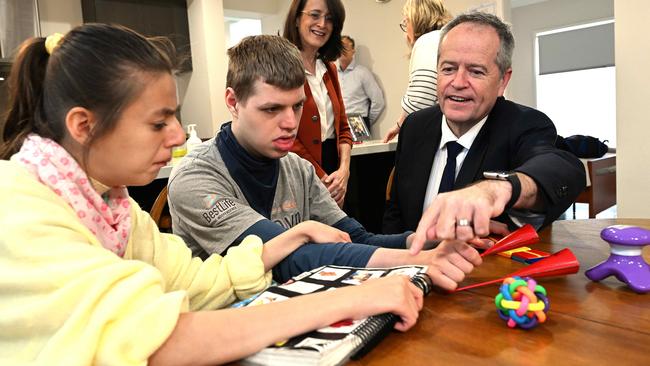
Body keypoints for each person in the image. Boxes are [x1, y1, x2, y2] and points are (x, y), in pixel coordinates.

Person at [0, 24, 426, 365]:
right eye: (157, 123)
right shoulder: (18, 208)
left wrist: (290, 238)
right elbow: (158, 342)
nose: (173, 137)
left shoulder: (115, 206)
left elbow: (195, 282)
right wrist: (350, 298)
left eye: (296, 107)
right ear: (83, 125)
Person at [168, 34, 483, 288]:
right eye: (271, 109)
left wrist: (422, 240)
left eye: (297, 106)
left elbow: (356, 238)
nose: (291, 122)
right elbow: (286, 259)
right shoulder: (195, 178)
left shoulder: (299, 169)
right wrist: (419, 260)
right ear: (233, 102)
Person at [382, 12, 586, 254]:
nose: (458, 82)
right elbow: (395, 214)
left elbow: (563, 170)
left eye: (476, 71)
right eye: (448, 68)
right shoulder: (415, 126)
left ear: (502, 81)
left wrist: (496, 189)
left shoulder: (525, 124)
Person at [283, 0, 351, 207]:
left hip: (335, 171)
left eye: (329, 18)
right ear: (296, 19)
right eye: (314, 15)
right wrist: (323, 178)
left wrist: (344, 171)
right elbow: (288, 136)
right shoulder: (283, 67)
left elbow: (343, 127)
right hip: (300, 170)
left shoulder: (329, 68)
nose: (322, 24)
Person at [383, 0, 452, 142]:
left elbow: (421, 98)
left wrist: (403, 130)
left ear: (417, 18)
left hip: (437, 132)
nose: (406, 28)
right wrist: (399, 124)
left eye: (406, 21)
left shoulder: (427, 41)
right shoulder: (447, 37)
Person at [337, 35, 385, 127]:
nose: (342, 50)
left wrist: (366, 122)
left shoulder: (362, 73)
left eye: (346, 47)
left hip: (358, 122)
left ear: (353, 51)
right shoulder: (333, 74)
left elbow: (378, 101)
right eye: (340, 47)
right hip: (338, 123)